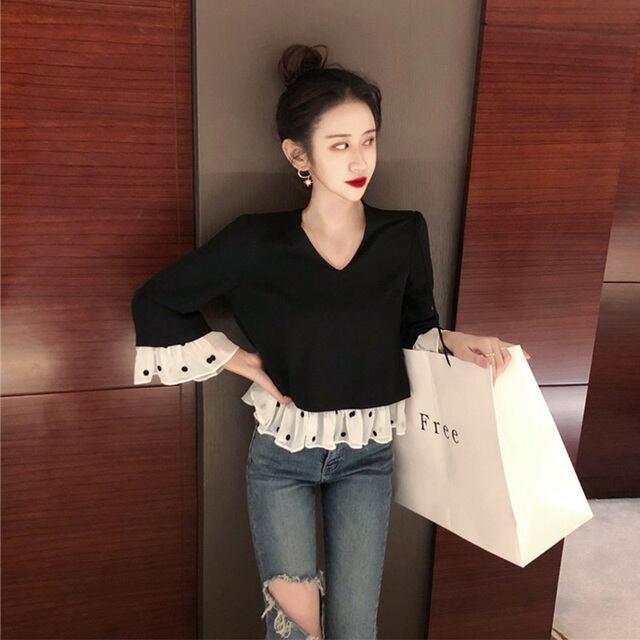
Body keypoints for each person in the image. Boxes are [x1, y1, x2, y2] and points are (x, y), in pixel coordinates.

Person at [131, 43, 530, 640]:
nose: (359, 158)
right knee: (294, 633)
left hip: (370, 456)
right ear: (299, 154)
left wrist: (460, 340)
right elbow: (157, 300)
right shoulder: (255, 242)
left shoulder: (403, 233)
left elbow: (413, 326)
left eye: (368, 140)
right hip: (282, 459)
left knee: (355, 629)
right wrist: (243, 363)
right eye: (340, 145)